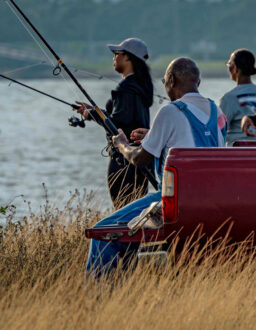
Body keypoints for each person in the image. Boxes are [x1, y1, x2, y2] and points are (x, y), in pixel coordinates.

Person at [86, 57, 227, 277]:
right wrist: (153, 138)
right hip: (211, 202)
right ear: (197, 81)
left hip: (175, 204)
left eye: (164, 80)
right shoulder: (217, 112)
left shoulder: (169, 111)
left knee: (103, 233)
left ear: (171, 80)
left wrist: (121, 144)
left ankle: (98, 298)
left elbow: (140, 159)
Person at [75, 37, 153, 208]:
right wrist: (94, 111)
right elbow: (124, 118)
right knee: (136, 212)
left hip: (123, 161)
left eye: (116, 53)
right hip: (140, 160)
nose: (113, 58)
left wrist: (92, 115)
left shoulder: (126, 89)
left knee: (124, 212)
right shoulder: (139, 87)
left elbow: (119, 122)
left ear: (127, 57)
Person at [219, 49, 256, 146]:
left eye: (229, 65)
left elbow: (219, 131)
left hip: (237, 152)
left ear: (235, 69)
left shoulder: (229, 98)